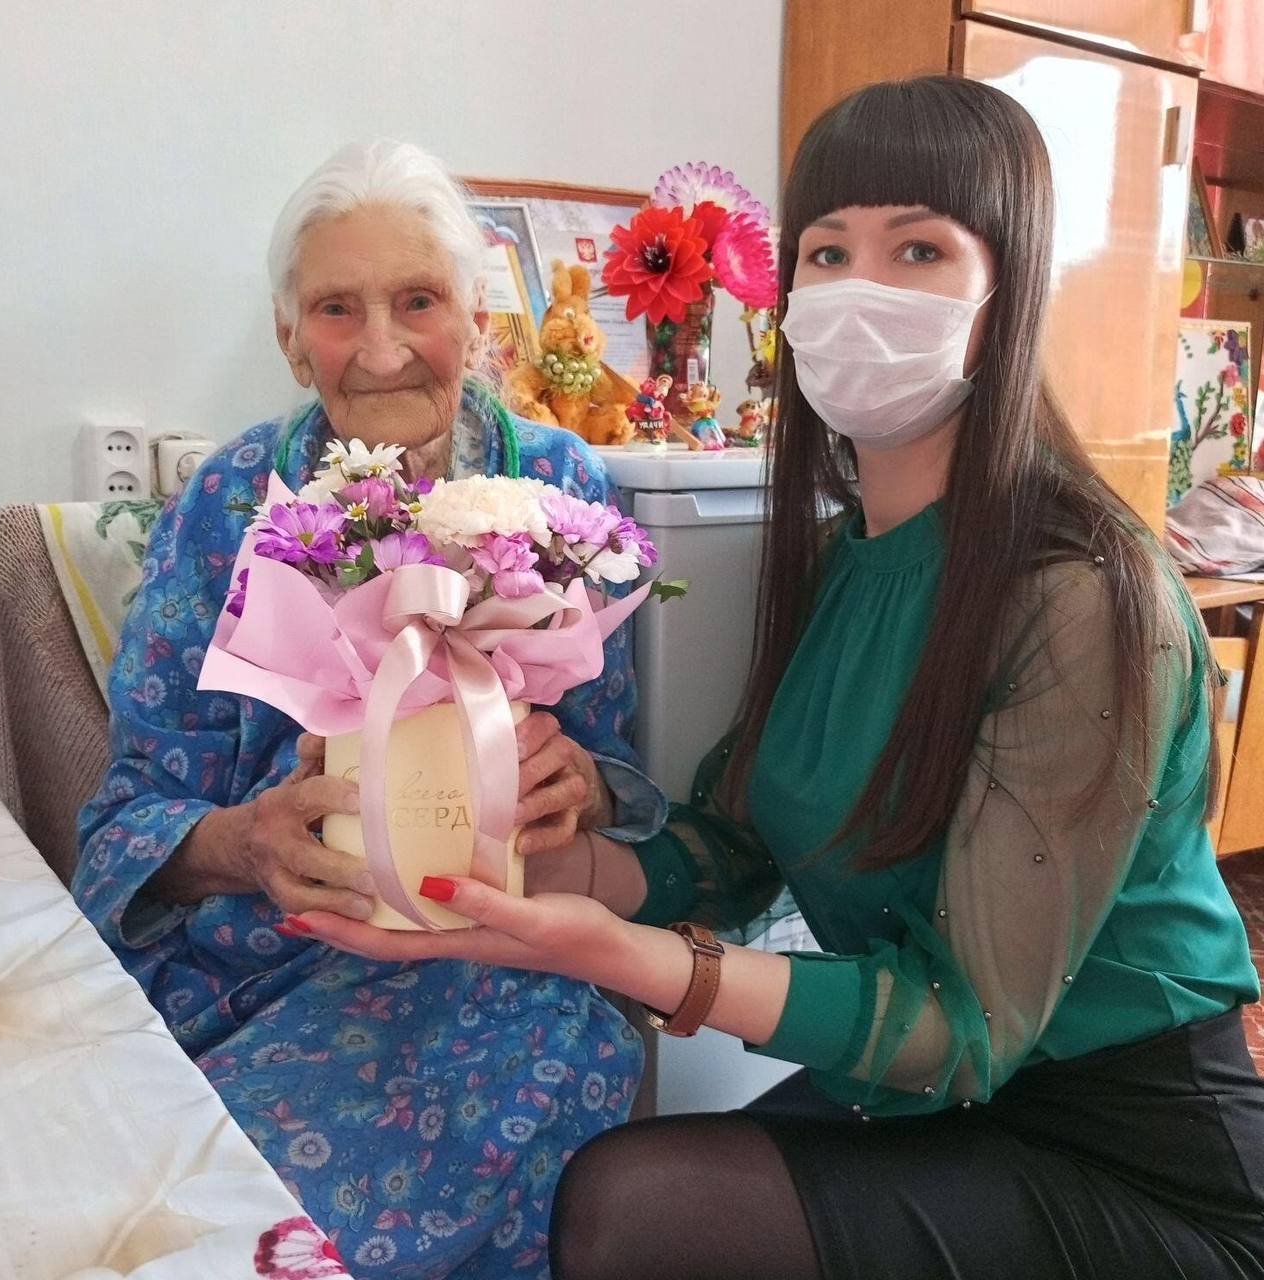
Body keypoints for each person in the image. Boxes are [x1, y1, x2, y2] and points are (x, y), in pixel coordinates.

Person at [293, 80, 1264, 1280]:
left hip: (1125, 1145)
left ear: (1004, 289)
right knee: (622, 1193)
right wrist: (515, 857)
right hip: (919, 1096)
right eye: (827, 252)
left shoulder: (1081, 596)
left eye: (918, 249)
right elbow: (734, 844)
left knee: (634, 1210)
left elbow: (962, 1025)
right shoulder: (842, 558)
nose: (860, 288)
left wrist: (612, 951)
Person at [74, 139, 660, 1279]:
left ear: (477, 322)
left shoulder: (563, 490)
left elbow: (616, 782)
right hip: (258, 961)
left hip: (488, 961)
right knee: (162, 1204)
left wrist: (581, 786)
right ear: (292, 339)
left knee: (529, 1072)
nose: (382, 348)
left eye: (419, 301)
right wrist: (245, 841)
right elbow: (122, 822)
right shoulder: (227, 502)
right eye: (338, 309)